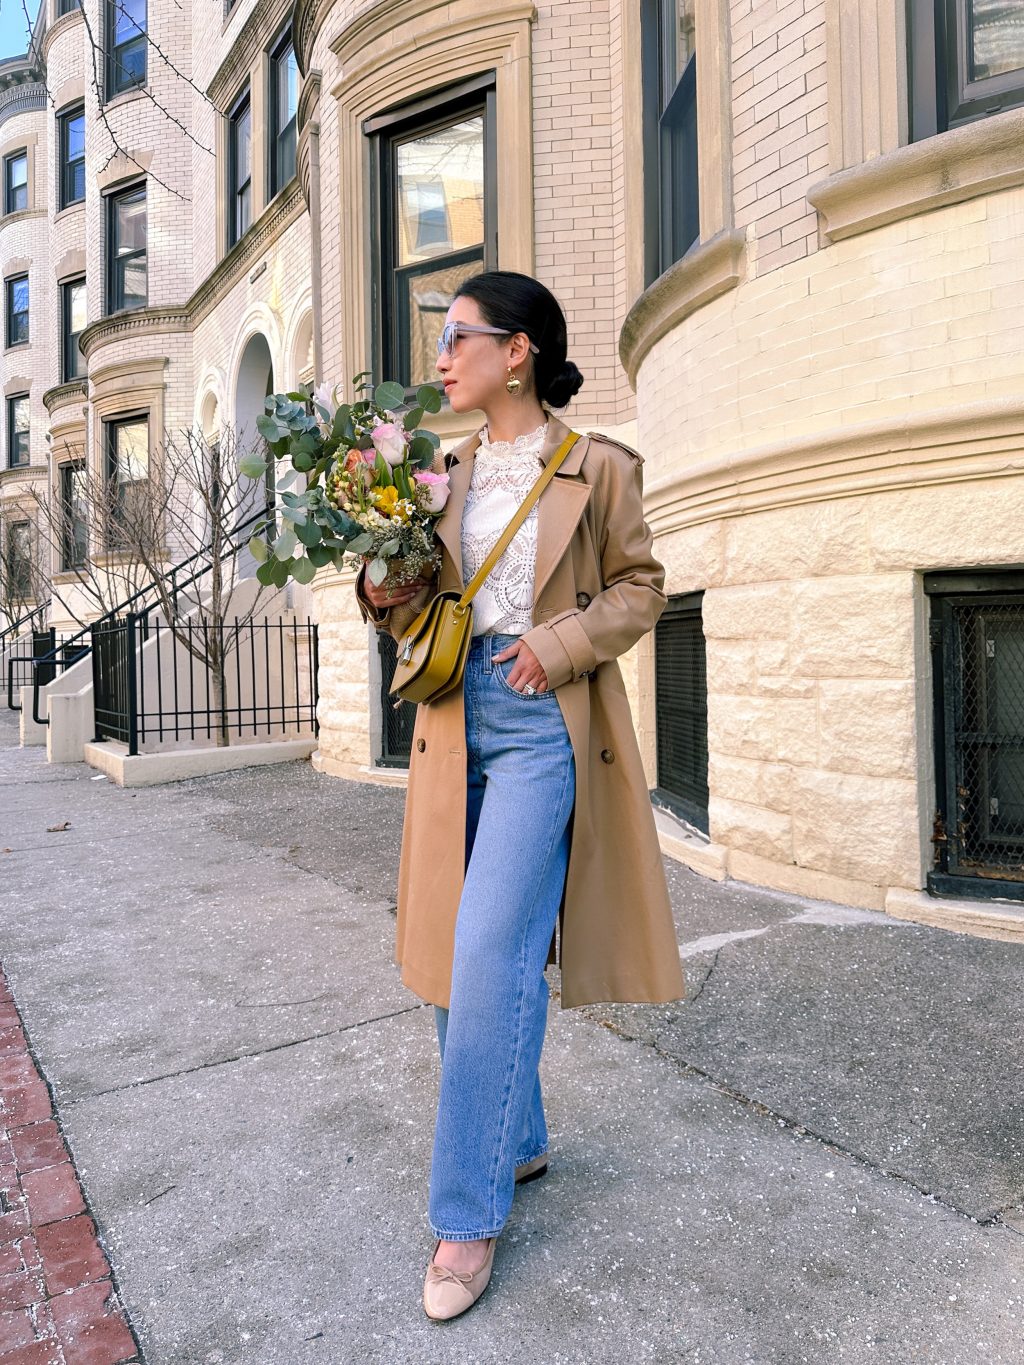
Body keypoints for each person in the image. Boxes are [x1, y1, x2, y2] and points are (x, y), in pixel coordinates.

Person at [354, 270, 685, 1321]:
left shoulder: (597, 468)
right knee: (457, 956)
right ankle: (521, 1138)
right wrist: (384, 583)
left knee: (494, 952)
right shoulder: (436, 474)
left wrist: (559, 643)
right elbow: (409, 605)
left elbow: (641, 586)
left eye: (457, 337)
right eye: (440, 340)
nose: (440, 357)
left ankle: (465, 1217)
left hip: (545, 725)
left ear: (518, 351)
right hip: (452, 723)